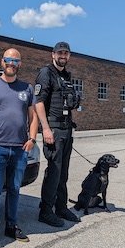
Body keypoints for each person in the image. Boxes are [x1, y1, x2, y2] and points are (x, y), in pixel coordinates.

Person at [0, 48, 38, 248]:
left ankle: (11, 225)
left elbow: (33, 116)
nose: (11, 63)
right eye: (8, 59)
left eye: (15, 60)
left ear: (20, 63)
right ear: (2, 61)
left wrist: (32, 139)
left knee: (14, 189)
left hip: (20, 148)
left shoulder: (27, 88)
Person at [35, 41, 81, 227]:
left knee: (63, 172)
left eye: (66, 53)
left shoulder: (66, 76)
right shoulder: (46, 73)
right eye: (60, 53)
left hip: (66, 128)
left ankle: (61, 207)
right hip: (53, 129)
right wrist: (45, 129)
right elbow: (38, 102)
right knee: (54, 171)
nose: (63, 56)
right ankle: (46, 211)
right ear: (53, 55)